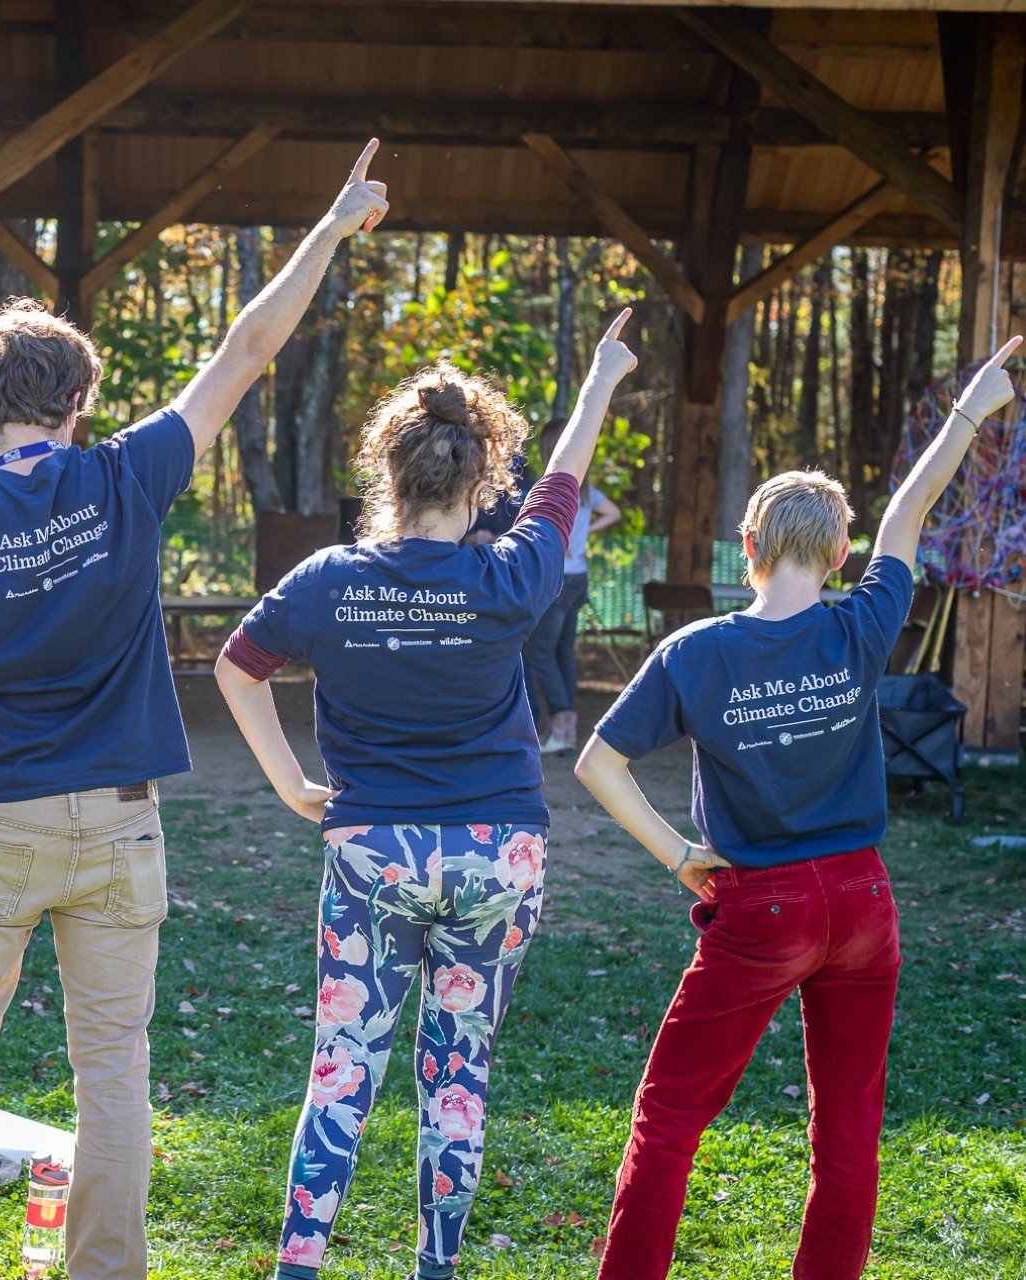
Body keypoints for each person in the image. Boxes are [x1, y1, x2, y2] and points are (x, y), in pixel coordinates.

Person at [0, 144, 389, 1280]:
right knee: (111, 1069)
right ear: (79, 402)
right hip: (119, 827)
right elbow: (244, 349)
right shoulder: (127, 475)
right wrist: (325, 229)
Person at [573, 334, 1021, 1280]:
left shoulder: (695, 652)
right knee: (848, 1127)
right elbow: (911, 510)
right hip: (864, 904)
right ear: (839, 552)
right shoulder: (862, 623)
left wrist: (676, 852)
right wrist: (971, 410)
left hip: (759, 909)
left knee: (670, 1117)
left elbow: (597, 762)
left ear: (749, 548)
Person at [215, 312, 640, 1280]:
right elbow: (564, 484)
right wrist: (600, 378)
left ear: (388, 474)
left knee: (341, 1072)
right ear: (479, 482)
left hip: (372, 854)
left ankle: (299, 1264)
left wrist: (291, 785)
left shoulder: (328, 580)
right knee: (457, 1074)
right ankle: (435, 1267)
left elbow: (237, 668)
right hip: (499, 853)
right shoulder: (509, 574)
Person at [526, 474, 619, 752]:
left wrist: (568, 535)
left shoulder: (554, 487)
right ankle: (567, 731)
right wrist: (585, 531)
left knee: (541, 653)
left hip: (560, 578)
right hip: (579, 577)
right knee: (564, 651)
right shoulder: (588, 491)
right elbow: (614, 513)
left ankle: (560, 725)